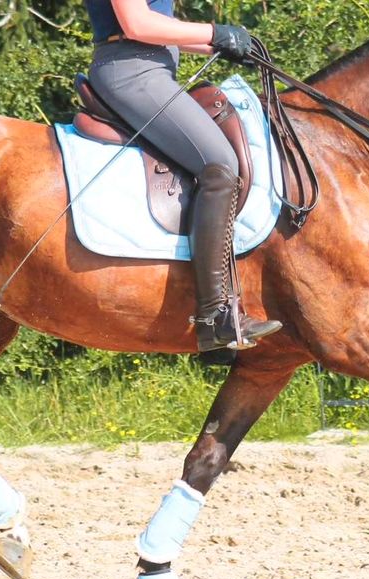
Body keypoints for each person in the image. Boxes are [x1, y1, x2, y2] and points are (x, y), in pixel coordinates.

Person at [84, 0, 282, 352]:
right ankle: (215, 316)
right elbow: (137, 25)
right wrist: (214, 32)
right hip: (132, 71)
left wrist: (227, 43)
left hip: (153, 70)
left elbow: (162, 26)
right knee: (219, 165)